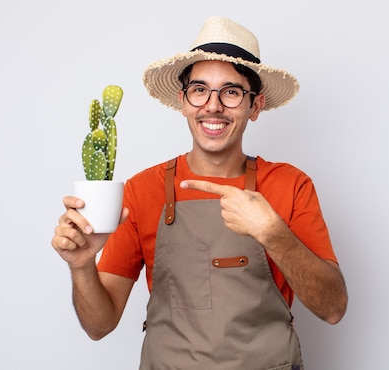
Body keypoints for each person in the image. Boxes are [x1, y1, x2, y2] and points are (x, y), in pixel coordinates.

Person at [52, 16, 348, 369]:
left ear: (255, 106)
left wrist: (272, 233)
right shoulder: (142, 190)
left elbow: (332, 309)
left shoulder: (290, 185)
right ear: (183, 100)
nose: (213, 105)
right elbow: (99, 326)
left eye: (231, 92)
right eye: (200, 89)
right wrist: (82, 266)